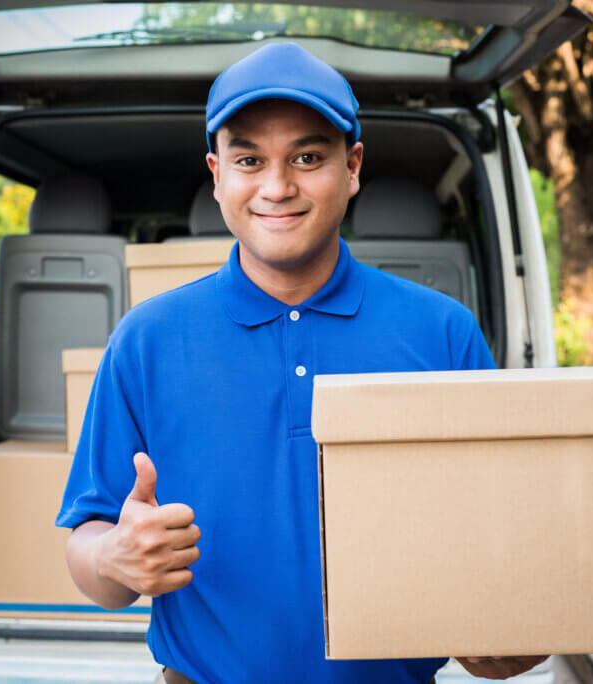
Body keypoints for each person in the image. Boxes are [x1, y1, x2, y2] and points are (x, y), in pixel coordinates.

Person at [56, 42, 548, 683]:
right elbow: (88, 546)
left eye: (308, 157)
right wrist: (115, 560)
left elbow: (504, 539)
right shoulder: (146, 340)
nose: (277, 186)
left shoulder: (442, 333)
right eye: (249, 160)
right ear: (216, 173)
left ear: (353, 166)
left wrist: (506, 633)